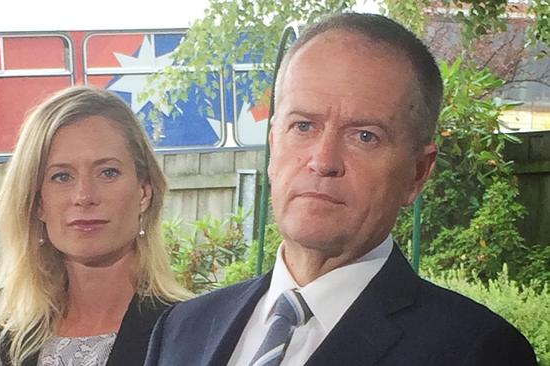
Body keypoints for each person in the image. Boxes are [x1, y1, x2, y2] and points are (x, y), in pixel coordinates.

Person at [144, 13, 538, 366]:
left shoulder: (477, 351)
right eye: (303, 126)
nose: (323, 160)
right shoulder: (183, 328)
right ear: (273, 143)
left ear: (418, 173)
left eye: (365, 135)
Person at [0, 86, 190, 366]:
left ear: (144, 192)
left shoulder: (191, 332)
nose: (84, 196)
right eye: (62, 176)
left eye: (108, 172)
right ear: (38, 203)